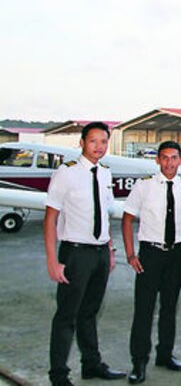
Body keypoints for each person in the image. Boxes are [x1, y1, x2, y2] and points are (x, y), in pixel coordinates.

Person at [44, 121, 126, 386]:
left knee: (90, 312)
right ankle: (58, 374)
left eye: (103, 141)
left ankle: (91, 364)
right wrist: (52, 260)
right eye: (93, 141)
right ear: (81, 142)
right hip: (75, 253)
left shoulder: (105, 173)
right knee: (67, 315)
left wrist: (110, 249)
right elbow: (50, 219)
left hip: (100, 253)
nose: (99, 147)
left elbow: (105, 214)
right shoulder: (66, 173)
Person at [122, 140, 181, 382]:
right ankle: (139, 362)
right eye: (164, 157)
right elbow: (127, 219)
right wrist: (131, 254)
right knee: (144, 309)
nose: (169, 163)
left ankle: (165, 354)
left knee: (169, 308)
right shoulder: (144, 186)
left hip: (176, 254)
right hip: (150, 254)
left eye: (174, 158)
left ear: (180, 160)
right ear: (157, 159)